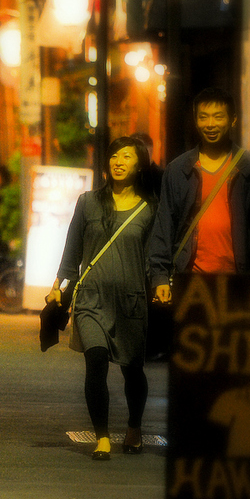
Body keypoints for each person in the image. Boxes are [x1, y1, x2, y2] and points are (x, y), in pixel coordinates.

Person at [47, 137, 157, 461]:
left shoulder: (151, 208)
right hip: (91, 298)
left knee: (132, 370)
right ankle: (103, 436)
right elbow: (72, 251)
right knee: (95, 360)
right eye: (114, 156)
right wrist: (58, 285)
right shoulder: (88, 202)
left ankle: (134, 427)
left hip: (131, 300)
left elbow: (155, 258)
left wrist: (163, 284)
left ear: (139, 165)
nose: (118, 161)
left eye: (127, 156)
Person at [148, 87, 250, 304]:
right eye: (203, 117)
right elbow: (164, 226)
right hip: (190, 281)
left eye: (218, 117)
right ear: (196, 120)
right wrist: (159, 276)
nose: (210, 124)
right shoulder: (178, 169)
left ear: (233, 120)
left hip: (239, 283)